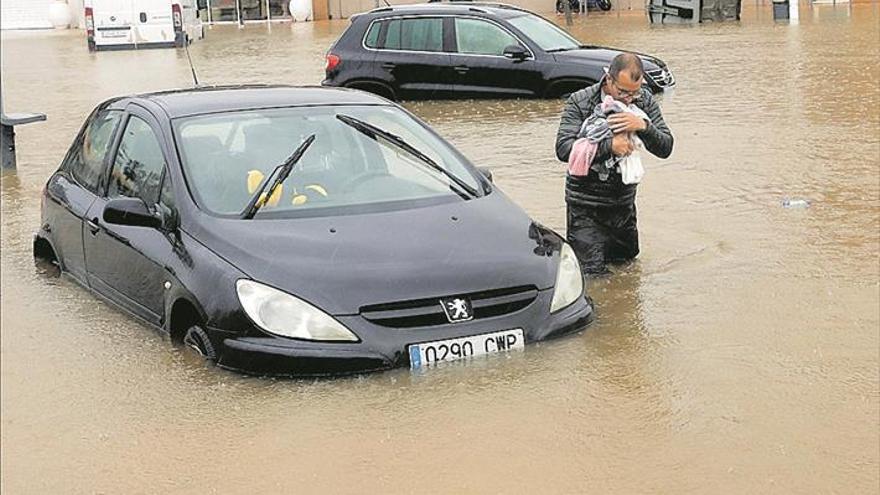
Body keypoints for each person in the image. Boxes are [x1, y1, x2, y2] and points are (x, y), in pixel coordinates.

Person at [555, 52, 673, 276]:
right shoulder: (581, 101)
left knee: (628, 270)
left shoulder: (644, 101)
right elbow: (563, 149)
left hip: (623, 204)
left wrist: (643, 126)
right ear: (608, 79)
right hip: (585, 206)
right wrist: (609, 146)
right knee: (591, 276)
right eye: (622, 92)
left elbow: (666, 147)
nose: (628, 99)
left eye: (634, 92)